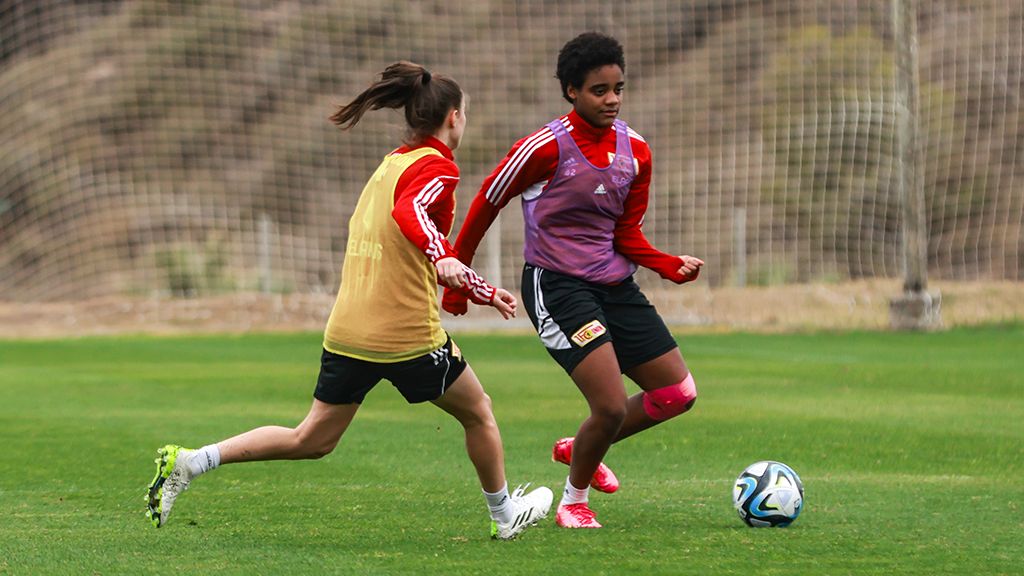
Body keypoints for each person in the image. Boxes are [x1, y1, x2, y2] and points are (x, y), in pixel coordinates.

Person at [146, 61, 552, 540]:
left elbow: (402, 243)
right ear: (454, 118)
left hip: (349, 329)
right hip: (406, 336)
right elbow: (411, 214)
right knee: (478, 411)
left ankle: (192, 462)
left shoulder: (390, 164)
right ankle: (505, 517)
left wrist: (475, 288)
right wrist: (445, 257)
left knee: (312, 439)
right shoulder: (439, 167)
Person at [442, 33, 704, 529]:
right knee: (606, 406)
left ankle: (581, 444)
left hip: (614, 286)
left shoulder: (637, 151)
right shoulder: (543, 148)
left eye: (618, 89)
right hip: (557, 286)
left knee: (677, 394)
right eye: (599, 90)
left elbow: (626, 232)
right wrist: (460, 278)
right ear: (571, 91)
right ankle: (574, 502)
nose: (612, 100)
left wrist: (666, 264)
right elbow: (487, 203)